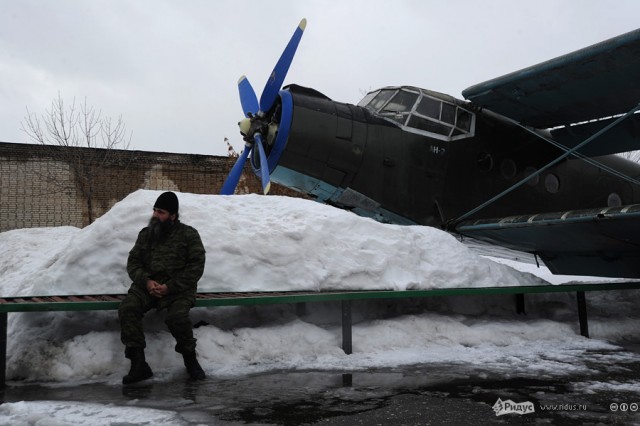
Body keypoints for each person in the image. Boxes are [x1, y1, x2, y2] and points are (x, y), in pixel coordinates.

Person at [118, 191, 207, 384]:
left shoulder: (189, 235)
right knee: (128, 308)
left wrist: (170, 287)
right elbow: (133, 263)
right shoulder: (146, 235)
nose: (155, 216)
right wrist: (147, 282)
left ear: (173, 216)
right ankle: (138, 364)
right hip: (148, 287)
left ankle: (190, 360)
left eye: (161, 212)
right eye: (154, 211)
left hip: (178, 289)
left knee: (177, 317)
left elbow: (196, 267)